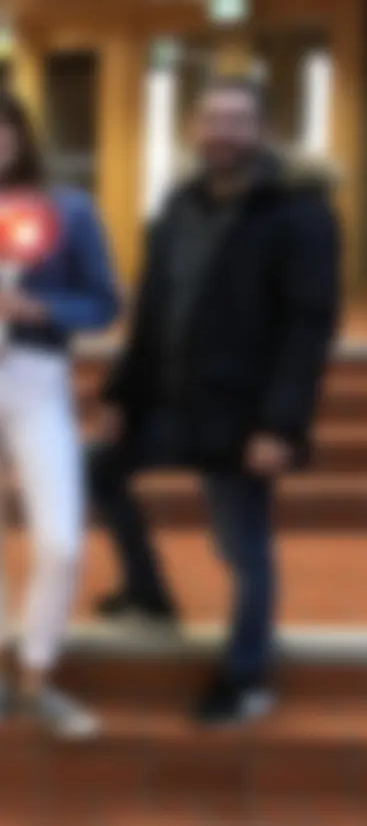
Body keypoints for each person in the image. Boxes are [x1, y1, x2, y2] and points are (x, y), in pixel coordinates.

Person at [88, 76, 341, 725]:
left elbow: (306, 327)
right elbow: (153, 312)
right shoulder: (180, 205)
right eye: (212, 120)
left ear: (260, 132)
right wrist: (121, 395)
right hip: (169, 402)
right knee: (98, 469)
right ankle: (147, 592)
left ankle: (247, 676)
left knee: (242, 546)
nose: (222, 132)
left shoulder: (297, 213)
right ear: (196, 131)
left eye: (237, 120)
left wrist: (278, 424)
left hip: (243, 413)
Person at [0, 90, 119, 739]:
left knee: (59, 540)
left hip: (36, 378)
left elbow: (103, 302)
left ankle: (36, 674)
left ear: (19, 135)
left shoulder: (67, 211)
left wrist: (42, 311)